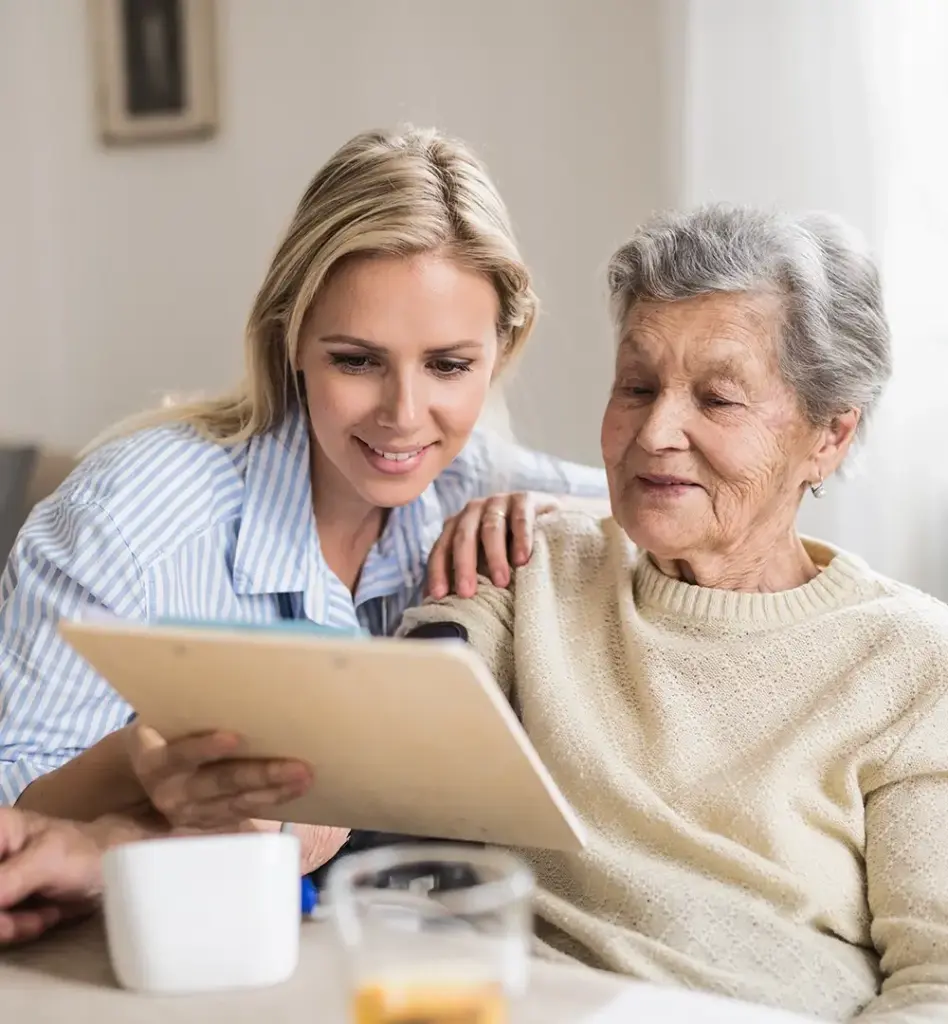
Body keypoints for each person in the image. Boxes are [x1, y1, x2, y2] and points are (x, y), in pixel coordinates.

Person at [16, 203, 941, 1019]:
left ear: (832, 432)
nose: (658, 430)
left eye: (718, 397)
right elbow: (343, 793)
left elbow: (935, 984)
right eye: (635, 385)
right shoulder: (512, 563)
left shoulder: (910, 662)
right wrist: (115, 848)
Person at [0, 126, 608, 934]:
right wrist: (142, 764)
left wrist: (570, 520)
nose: (403, 415)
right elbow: (13, 801)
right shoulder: (129, 517)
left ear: (502, 349)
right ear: (292, 338)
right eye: (356, 361)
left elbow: (693, 510)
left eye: (449, 366)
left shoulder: (483, 486)